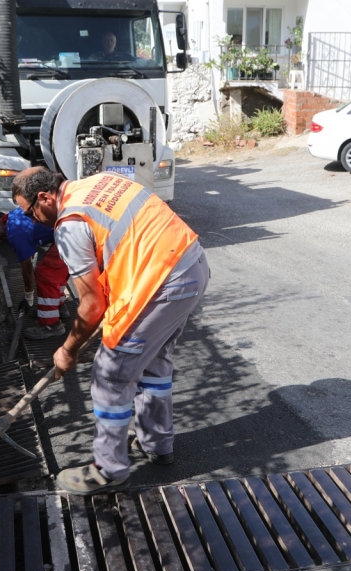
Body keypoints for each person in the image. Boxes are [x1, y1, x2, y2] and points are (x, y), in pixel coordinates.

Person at [11, 167, 209, 495]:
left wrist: (68, 349)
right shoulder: (101, 182)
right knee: (154, 361)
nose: (32, 219)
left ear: (45, 198)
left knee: (110, 372)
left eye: (29, 210)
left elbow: (90, 307)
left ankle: (108, 469)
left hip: (157, 283)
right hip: (191, 265)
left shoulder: (70, 223)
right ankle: (157, 443)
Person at [0, 209, 70, 339]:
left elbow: (27, 267)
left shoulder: (14, 232)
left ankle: (51, 325)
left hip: (70, 233)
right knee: (55, 271)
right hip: (68, 230)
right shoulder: (15, 216)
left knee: (46, 273)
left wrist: (28, 297)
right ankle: (58, 308)